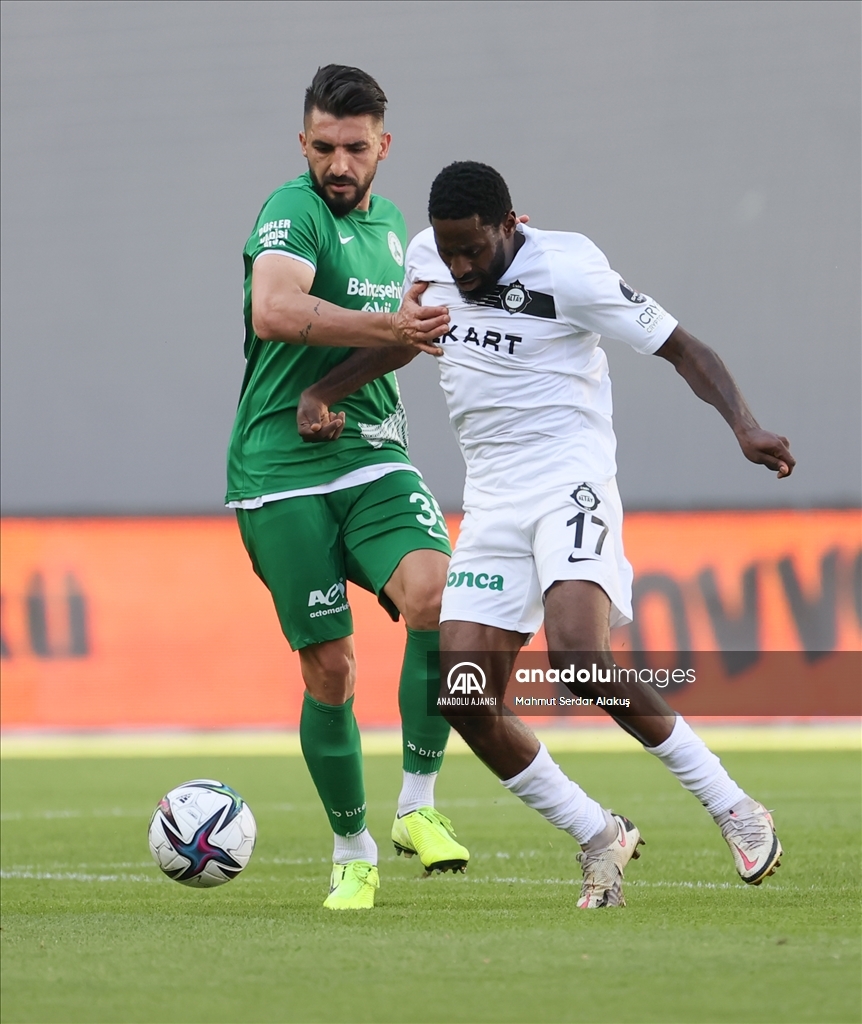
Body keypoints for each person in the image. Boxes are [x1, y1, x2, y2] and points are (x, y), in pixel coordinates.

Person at [301, 160, 794, 908]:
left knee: (581, 660)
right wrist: (323, 389)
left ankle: (734, 807)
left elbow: (682, 347)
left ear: (510, 224)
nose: (459, 267)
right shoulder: (428, 256)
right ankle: (598, 835)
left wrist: (745, 426)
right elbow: (410, 339)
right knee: (463, 696)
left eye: (473, 249)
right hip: (491, 499)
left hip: (570, 479)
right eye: (448, 250)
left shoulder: (570, 268)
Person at [225, 66, 469, 911]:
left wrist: (340, 380)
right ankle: (352, 850)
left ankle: (418, 805)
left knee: (440, 597)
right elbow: (274, 309)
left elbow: (404, 340)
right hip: (278, 470)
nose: (339, 164)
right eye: (324, 146)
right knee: (331, 668)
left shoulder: (397, 226)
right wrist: (384, 324)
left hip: (371, 453)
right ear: (304, 143)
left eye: (355, 148)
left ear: (382, 147)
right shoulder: (290, 211)